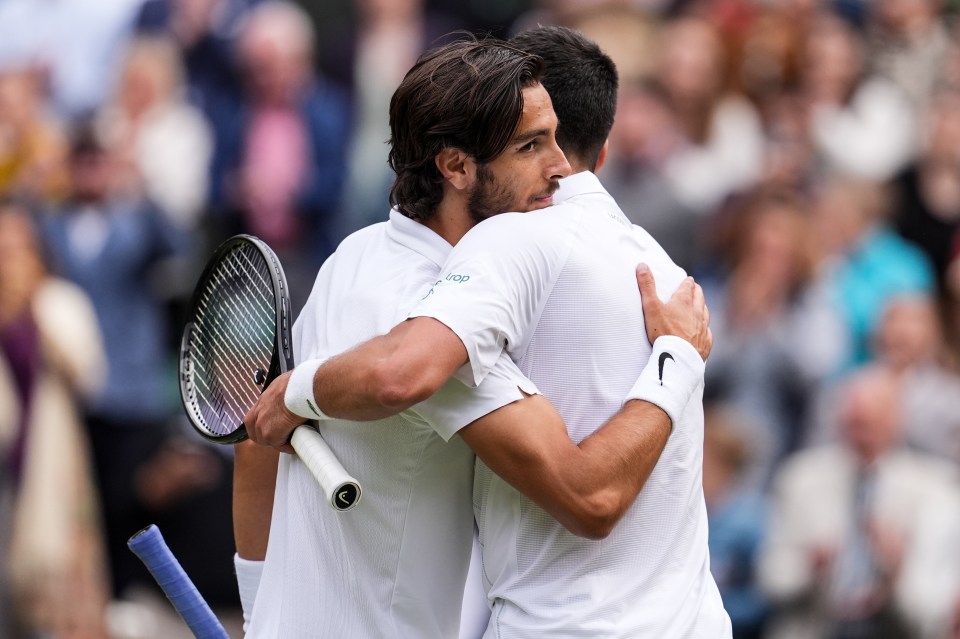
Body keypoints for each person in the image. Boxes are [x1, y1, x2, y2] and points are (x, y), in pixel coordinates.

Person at [247, 27, 730, 637]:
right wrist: (679, 359)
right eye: (532, 147)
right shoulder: (437, 327)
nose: (561, 170)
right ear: (455, 165)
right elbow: (590, 498)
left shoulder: (351, 255)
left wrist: (256, 608)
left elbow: (252, 444)